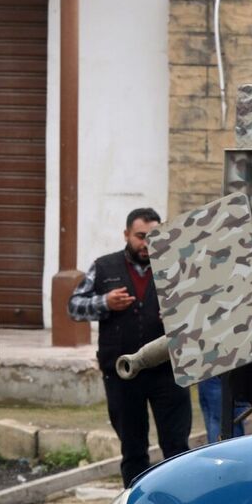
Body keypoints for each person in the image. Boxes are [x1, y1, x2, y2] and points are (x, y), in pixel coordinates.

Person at [68, 207, 192, 487]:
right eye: (140, 236)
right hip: (123, 375)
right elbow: (74, 307)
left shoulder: (177, 266)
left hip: (169, 372)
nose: (147, 243)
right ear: (126, 234)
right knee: (133, 450)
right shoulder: (104, 266)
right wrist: (105, 303)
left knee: (177, 448)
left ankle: (181, 503)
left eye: (154, 236)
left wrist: (180, 313)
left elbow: (204, 308)